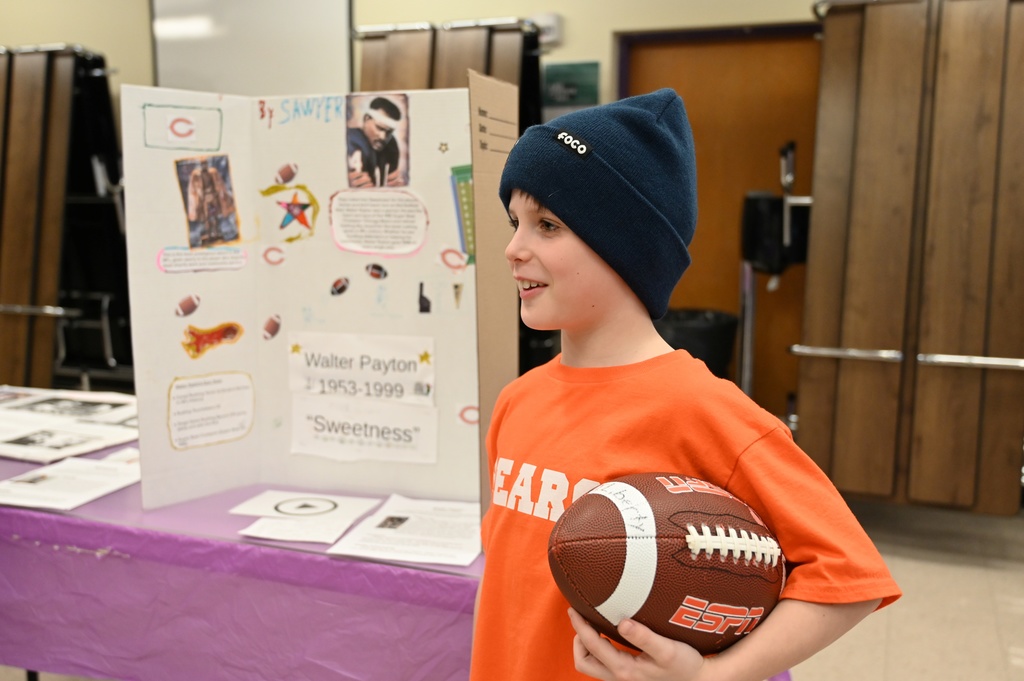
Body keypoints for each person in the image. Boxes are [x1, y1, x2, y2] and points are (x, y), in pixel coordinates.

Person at [469, 89, 901, 681]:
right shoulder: (517, 400)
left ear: (627, 247)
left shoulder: (704, 410)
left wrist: (715, 676)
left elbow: (847, 574)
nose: (514, 249)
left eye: (548, 225)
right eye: (515, 223)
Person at [347, 96, 406, 188]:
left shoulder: (391, 145)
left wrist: (395, 183)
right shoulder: (351, 139)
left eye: (388, 132)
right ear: (366, 119)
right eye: (379, 128)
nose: (383, 137)